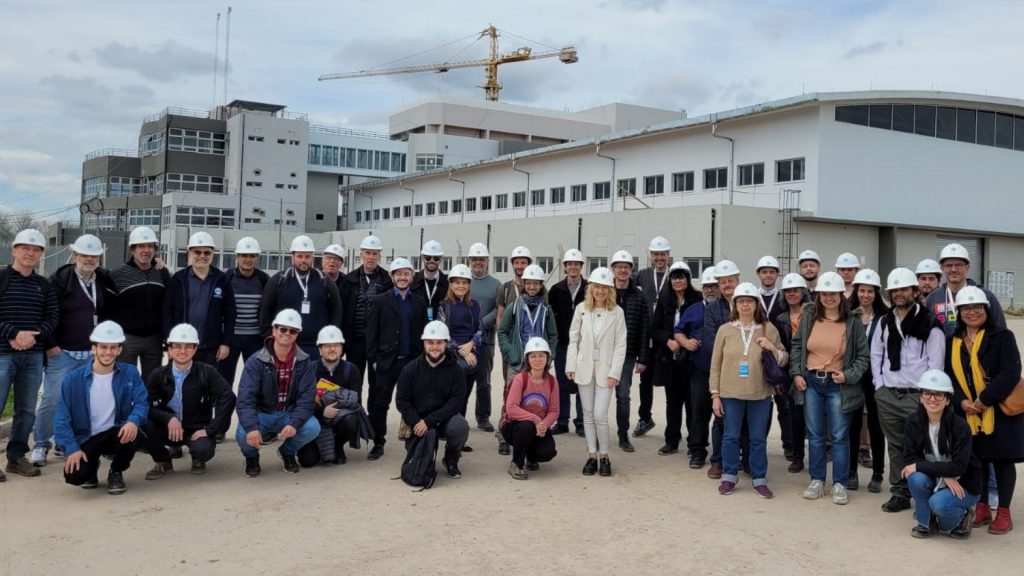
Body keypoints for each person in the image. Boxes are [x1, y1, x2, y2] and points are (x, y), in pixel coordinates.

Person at [32, 234, 115, 467]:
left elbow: (113, 309)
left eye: (94, 255)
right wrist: (50, 345)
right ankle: (40, 444)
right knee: (52, 398)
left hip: (92, 354)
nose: (89, 259)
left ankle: (65, 442)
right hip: (63, 353)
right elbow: (45, 313)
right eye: (84, 254)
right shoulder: (59, 280)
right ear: (75, 255)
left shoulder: (104, 281)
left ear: (99, 257)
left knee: (83, 401)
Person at [947, 286, 1023, 535]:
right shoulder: (954, 341)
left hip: (997, 410)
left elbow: (1010, 372)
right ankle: (981, 505)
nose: (972, 312)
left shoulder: (1002, 336)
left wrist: (984, 400)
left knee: (1002, 460)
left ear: (986, 310)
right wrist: (961, 401)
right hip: (968, 412)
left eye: (977, 307)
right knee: (977, 460)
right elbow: (950, 376)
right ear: (959, 312)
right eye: (966, 308)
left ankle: (1003, 511)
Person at [790, 271, 869, 505]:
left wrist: (848, 375)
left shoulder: (853, 322)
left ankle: (839, 484)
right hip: (812, 381)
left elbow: (863, 357)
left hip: (838, 385)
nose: (828, 298)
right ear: (819, 296)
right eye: (824, 294)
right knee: (814, 436)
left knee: (839, 436)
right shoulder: (809, 318)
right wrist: (796, 373)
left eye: (833, 294)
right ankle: (816, 480)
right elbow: (797, 347)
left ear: (841, 295)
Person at [872, 267, 945, 513]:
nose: (899, 294)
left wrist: (929, 396)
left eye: (904, 289)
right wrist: (879, 386)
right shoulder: (884, 321)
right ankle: (900, 492)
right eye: (894, 291)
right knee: (895, 445)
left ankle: (924, 493)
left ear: (915, 291)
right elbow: (876, 355)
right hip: (889, 393)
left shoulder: (931, 324)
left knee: (921, 445)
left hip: (917, 396)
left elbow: (936, 363)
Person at [710, 282, 788, 498]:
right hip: (730, 393)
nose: (745, 305)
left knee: (758, 438)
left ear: (756, 304)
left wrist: (771, 347)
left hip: (759, 393)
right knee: (731, 436)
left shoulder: (768, 328)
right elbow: (715, 365)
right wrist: (715, 395)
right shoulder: (725, 330)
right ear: (735, 304)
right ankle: (729, 475)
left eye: (749, 301)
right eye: (741, 301)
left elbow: (783, 359)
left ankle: (759, 477)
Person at [54, 321, 147, 494]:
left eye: (113, 348)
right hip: (86, 437)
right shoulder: (72, 380)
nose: (108, 352)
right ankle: (92, 466)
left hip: (115, 433)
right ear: (93, 349)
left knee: (134, 434)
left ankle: (116, 471)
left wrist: (133, 421)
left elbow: (142, 402)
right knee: (74, 476)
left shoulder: (130, 372)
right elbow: (61, 418)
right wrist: (72, 448)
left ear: (119, 350)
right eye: (103, 347)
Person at [0, 228, 59, 481]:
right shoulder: (1, 278)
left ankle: (16, 458)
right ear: (15, 250)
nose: (30, 253)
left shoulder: (43, 285)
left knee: (26, 409)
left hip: (33, 356)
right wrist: (14, 334)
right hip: (2, 353)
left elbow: (53, 317)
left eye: (36, 250)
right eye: (26, 248)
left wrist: (32, 336)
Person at [142, 323, 236, 479]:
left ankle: (197, 458)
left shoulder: (207, 372)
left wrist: (211, 429)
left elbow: (228, 397)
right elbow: (147, 406)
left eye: (188, 346)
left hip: (196, 429)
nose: (182, 351)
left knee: (204, 450)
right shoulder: (157, 375)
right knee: (142, 427)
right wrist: (169, 418)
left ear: (195, 349)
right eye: (177, 346)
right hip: (167, 427)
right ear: (170, 349)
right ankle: (163, 460)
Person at [235, 308, 321, 477]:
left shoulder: (304, 362)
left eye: (293, 330)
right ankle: (252, 457)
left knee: (312, 427)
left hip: (288, 413)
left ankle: (287, 452)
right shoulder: (256, 361)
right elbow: (245, 399)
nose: (287, 333)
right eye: (283, 329)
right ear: (274, 330)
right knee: (243, 434)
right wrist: (252, 427)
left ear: (297, 334)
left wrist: (294, 423)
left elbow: (306, 399)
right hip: (262, 414)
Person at [903, 369, 982, 539]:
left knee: (940, 508)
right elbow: (910, 459)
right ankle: (926, 522)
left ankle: (964, 515)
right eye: (927, 393)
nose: (932, 399)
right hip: (940, 477)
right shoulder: (912, 422)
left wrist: (933, 469)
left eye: (939, 395)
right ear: (920, 397)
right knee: (915, 477)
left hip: (964, 484)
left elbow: (959, 467)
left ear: (947, 400)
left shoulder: (960, 426)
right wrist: (944, 474)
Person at [365, 258, 429, 460]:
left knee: (413, 401)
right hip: (386, 361)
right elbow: (371, 334)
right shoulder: (379, 301)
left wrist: (422, 359)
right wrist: (373, 359)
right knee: (380, 403)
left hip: (411, 362)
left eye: (406, 274)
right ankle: (378, 441)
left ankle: (412, 438)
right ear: (392, 276)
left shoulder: (419, 302)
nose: (402, 277)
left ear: (411, 277)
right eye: (398, 274)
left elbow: (422, 332)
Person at [566, 267, 627, 477]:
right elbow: (573, 339)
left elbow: (621, 345)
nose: (600, 291)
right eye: (596, 287)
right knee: (588, 414)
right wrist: (570, 366)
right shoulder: (582, 309)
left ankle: (605, 455)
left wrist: (615, 372)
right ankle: (591, 455)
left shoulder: (617, 312)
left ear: (610, 290)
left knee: (601, 414)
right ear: (590, 288)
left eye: (604, 287)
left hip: (606, 370)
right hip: (584, 368)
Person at [395, 321, 470, 480]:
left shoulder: (456, 371)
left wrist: (430, 421)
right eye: (430, 342)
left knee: (460, 426)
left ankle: (451, 458)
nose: (435, 347)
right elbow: (402, 401)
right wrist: (416, 421)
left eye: (439, 342)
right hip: (417, 421)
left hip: (443, 419)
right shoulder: (410, 369)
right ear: (424, 343)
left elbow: (456, 402)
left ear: (446, 344)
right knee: (420, 459)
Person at [497, 263, 557, 455]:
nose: (532, 287)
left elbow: (553, 335)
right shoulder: (514, 307)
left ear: (541, 285)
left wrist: (550, 355)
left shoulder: (546, 309)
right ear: (524, 284)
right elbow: (503, 331)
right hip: (518, 363)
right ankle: (504, 436)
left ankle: (533, 434)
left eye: (536, 283)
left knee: (536, 400)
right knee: (510, 399)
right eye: (529, 283)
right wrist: (511, 353)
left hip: (538, 363)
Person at [674, 267, 727, 470]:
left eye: (715, 285)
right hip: (700, 369)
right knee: (698, 410)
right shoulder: (694, 309)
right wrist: (686, 343)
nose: (711, 290)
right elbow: (678, 331)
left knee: (724, 413)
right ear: (702, 288)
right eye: (707, 286)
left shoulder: (728, 309)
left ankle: (721, 454)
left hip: (725, 370)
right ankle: (697, 451)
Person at [260, 235, 342, 364]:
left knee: (314, 383)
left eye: (307, 256)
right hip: (286, 345)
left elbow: (336, 310)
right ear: (292, 257)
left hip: (316, 346)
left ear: (313, 258)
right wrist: (270, 338)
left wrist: (330, 339)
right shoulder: (278, 280)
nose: (303, 260)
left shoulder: (325, 280)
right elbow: (265, 310)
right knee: (285, 383)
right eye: (300, 256)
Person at [297, 326, 370, 467]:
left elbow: (355, 401)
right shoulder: (309, 369)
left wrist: (333, 408)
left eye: (336, 345)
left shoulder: (351, 370)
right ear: (320, 349)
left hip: (340, 417)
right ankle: (318, 442)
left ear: (342, 348)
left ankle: (337, 445)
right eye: (327, 346)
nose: (332, 349)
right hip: (314, 418)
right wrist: (322, 411)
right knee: (308, 461)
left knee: (351, 420)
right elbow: (301, 401)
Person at [163, 232, 235, 366]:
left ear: (213, 254)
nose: (202, 256)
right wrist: (169, 343)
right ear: (189, 253)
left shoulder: (222, 280)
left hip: (211, 347)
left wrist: (226, 343)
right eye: (197, 252)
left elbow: (230, 314)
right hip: (182, 346)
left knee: (208, 385)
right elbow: (167, 312)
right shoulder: (178, 280)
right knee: (180, 384)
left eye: (207, 253)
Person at [652, 261, 701, 455]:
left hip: (691, 358)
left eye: (682, 277)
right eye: (674, 277)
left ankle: (693, 442)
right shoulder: (664, 301)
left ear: (688, 279)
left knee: (692, 403)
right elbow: (654, 328)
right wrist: (668, 340)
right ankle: (671, 440)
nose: (678, 281)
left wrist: (688, 341)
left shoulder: (697, 300)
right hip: (670, 359)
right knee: (673, 403)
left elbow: (702, 325)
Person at [111, 226, 170, 386]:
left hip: (154, 339)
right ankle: (126, 411)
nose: (146, 250)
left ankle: (148, 411)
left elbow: (168, 304)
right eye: (141, 246)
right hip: (128, 339)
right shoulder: (118, 274)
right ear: (132, 250)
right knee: (125, 381)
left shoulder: (162, 273)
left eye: (150, 246)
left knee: (152, 383)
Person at [847, 268, 888, 493]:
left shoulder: (884, 317)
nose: (865, 295)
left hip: (875, 378)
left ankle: (878, 473)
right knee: (853, 424)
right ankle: (852, 472)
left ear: (876, 293)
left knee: (876, 425)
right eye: (862, 290)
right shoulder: (848, 315)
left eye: (870, 291)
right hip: (854, 377)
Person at [338, 234, 392, 397]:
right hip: (355, 341)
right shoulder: (349, 280)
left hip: (378, 342)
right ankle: (356, 417)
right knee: (354, 381)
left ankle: (374, 420)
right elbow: (342, 311)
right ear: (361, 255)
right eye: (367, 253)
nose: (371, 257)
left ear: (379, 256)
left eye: (374, 254)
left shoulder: (387, 281)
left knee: (377, 382)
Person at [501, 337, 560, 480]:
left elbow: (554, 410)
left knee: (548, 452)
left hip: (538, 427)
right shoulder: (521, 378)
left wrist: (544, 425)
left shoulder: (552, 381)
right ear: (527, 359)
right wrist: (536, 420)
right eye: (533, 356)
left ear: (548, 358)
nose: (537, 359)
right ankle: (517, 463)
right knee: (526, 426)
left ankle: (530, 455)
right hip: (514, 427)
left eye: (541, 355)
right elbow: (511, 408)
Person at [608, 250, 649, 453]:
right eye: (619, 267)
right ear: (613, 269)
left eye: (626, 267)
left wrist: (643, 358)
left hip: (627, 354)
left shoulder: (639, 295)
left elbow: (644, 328)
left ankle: (623, 435)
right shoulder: (605, 292)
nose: (623, 270)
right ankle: (597, 433)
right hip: (605, 352)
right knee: (600, 395)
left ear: (631, 270)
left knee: (623, 396)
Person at [633, 235, 672, 438]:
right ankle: (645, 418)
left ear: (668, 255)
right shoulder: (641, 276)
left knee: (669, 382)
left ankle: (671, 428)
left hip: (666, 338)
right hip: (646, 337)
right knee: (645, 381)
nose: (659, 258)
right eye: (656, 254)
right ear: (650, 255)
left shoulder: (675, 276)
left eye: (662, 254)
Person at [772, 273, 810, 474]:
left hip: (812, 370)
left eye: (796, 290)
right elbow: (779, 348)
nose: (792, 294)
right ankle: (797, 457)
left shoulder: (814, 315)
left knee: (814, 417)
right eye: (788, 291)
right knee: (794, 415)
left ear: (803, 292)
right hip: (789, 373)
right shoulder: (780, 319)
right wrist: (779, 377)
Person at [926, 242, 1006, 337]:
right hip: (944, 351)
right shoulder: (933, 297)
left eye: (959, 265)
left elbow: (1001, 331)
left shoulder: (986, 296)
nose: (954, 269)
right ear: (942, 268)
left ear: (967, 267)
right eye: (949, 265)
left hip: (978, 351)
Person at [548, 248, 588, 436]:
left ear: (581, 266)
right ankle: (562, 421)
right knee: (562, 384)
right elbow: (551, 319)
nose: (573, 267)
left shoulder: (589, 288)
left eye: (576, 264)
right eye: (569, 264)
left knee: (582, 383)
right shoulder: (556, 290)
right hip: (563, 344)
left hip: (583, 346)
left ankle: (581, 422)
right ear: (565, 267)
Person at [756, 255, 791, 461]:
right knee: (762, 405)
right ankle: (759, 443)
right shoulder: (752, 296)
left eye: (772, 272)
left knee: (784, 405)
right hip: (757, 358)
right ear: (758, 274)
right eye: (764, 271)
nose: (768, 275)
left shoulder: (783, 298)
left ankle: (789, 445)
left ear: (777, 275)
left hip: (779, 356)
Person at [221, 237, 269, 386]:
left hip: (255, 339)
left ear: (257, 258)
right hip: (231, 338)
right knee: (224, 380)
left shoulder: (263, 279)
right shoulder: (227, 278)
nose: (248, 259)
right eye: (244, 255)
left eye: (252, 256)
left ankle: (250, 409)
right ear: (237, 257)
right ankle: (225, 409)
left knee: (255, 381)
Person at [437, 264, 482, 420]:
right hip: (452, 357)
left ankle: (459, 429)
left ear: (469, 284)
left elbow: (480, 330)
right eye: (457, 282)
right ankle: (448, 426)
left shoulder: (475, 305)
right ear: (450, 284)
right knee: (452, 396)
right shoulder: (444, 305)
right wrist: (461, 350)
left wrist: (471, 345)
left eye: (464, 282)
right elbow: (443, 334)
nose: (461, 286)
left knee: (464, 396)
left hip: (471, 355)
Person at [467, 242, 500, 432]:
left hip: (485, 340)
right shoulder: (463, 281)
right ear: (469, 261)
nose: (478, 262)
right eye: (474, 259)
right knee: (460, 381)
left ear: (487, 261)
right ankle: (457, 415)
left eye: (481, 259)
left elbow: (498, 309)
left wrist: (481, 323)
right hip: (463, 340)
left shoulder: (496, 285)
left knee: (484, 381)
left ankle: (483, 417)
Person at [496, 245, 534, 382]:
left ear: (529, 264)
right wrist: (503, 343)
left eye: (523, 262)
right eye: (516, 262)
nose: (520, 266)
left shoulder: (536, 287)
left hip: (531, 343)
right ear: (512, 264)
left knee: (531, 383)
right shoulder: (505, 288)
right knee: (509, 382)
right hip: (510, 344)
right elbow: (500, 316)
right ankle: (508, 404)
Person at [411, 240, 448, 322]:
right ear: (423, 258)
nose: (432, 261)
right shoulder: (412, 281)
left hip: (440, 329)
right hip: (418, 329)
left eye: (436, 258)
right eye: (428, 258)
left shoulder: (448, 283)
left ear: (441, 260)